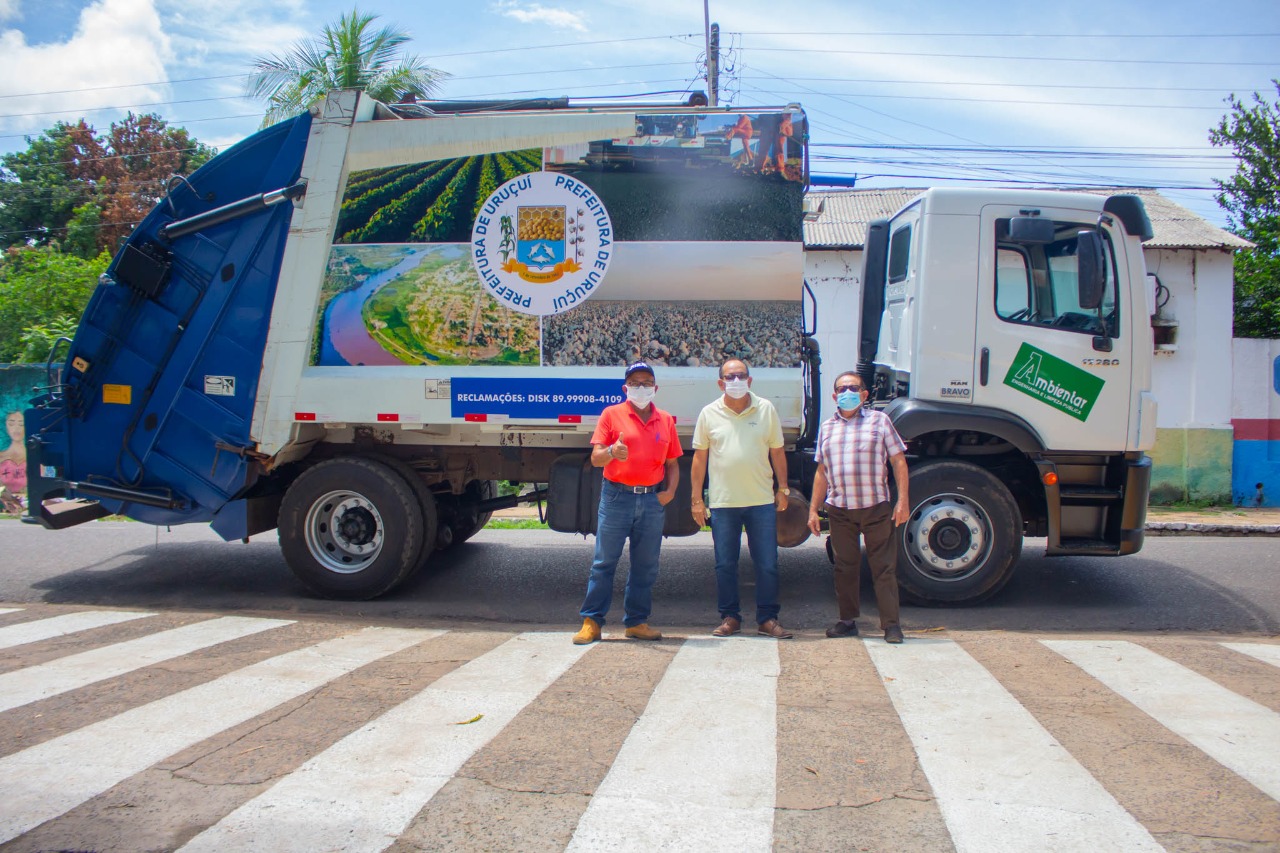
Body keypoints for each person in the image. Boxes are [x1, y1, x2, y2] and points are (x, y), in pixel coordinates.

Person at [573, 361, 681, 644]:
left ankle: (637, 622)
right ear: (625, 388)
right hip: (617, 497)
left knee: (646, 565)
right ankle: (592, 622)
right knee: (604, 562)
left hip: (651, 499)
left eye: (646, 382)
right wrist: (612, 450)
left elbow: (673, 463)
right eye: (635, 382)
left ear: (655, 388)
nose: (641, 387)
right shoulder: (611, 414)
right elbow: (596, 458)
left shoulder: (666, 420)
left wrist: (669, 493)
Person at [690, 359, 792, 639]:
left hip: (760, 501)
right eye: (729, 377)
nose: (736, 380)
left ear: (750, 379)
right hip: (724, 503)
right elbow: (699, 459)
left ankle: (768, 619)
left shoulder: (766, 409)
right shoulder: (709, 413)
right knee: (725, 563)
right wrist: (696, 499)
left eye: (741, 375)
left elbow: (777, 451)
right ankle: (730, 617)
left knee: (767, 562)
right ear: (720, 383)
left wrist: (783, 488)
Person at [807, 372, 911, 643]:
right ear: (834, 396)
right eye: (842, 389)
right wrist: (813, 509)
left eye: (853, 388)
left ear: (864, 395)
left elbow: (898, 461)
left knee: (883, 568)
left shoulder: (880, 421)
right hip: (840, 509)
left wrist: (902, 501)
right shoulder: (827, 427)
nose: (847, 392)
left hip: (875, 507)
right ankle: (847, 620)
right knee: (845, 567)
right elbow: (822, 471)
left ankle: (891, 625)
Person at [0, 410, 26, 498]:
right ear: (5, 426)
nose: (16, 428)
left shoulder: (39, 457)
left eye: (21, 424)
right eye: (11, 424)